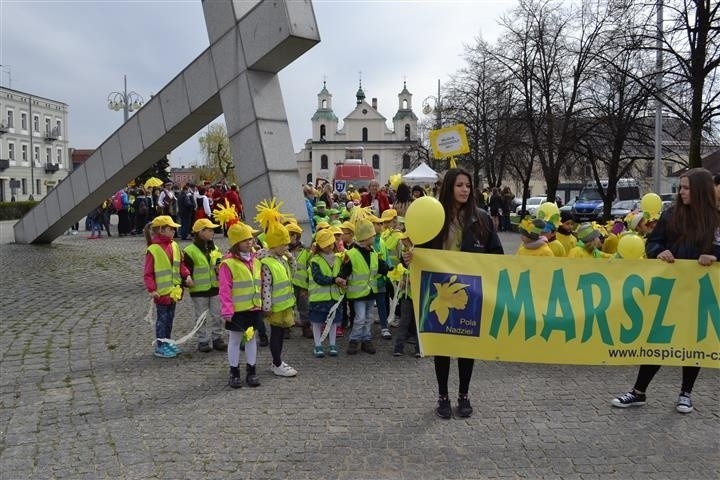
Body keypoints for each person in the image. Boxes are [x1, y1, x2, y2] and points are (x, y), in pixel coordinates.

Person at [611, 168, 720, 414]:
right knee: (658, 339)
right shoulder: (671, 215)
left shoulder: (716, 219)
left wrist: (714, 255)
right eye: (680, 187)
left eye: (686, 188)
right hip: (669, 291)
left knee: (692, 343)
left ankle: (686, 393)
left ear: (700, 191)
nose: (680, 192)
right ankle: (638, 392)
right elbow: (654, 242)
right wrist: (659, 251)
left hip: (700, 292)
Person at [404, 168, 504, 419]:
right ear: (449, 187)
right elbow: (418, 249)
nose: (464, 190)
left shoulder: (481, 219)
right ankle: (443, 396)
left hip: (470, 292)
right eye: (459, 185)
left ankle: (464, 395)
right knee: (443, 345)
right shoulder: (434, 217)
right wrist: (407, 257)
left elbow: (497, 255)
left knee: (466, 345)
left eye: (468, 186)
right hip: (439, 291)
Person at [256, 200, 298, 377]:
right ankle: (277, 362)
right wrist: (266, 307)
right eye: (285, 244)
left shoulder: (281, 258)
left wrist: (291, 259)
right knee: (276, 334)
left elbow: (292, 274)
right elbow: (266, 286)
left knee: (280, 334)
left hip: (284, 304)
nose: (287, 247)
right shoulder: (267, 262)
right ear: (275, 244)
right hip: (274, 307)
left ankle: (278, 360)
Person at [219, 222, 263, 388]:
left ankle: (251, 371)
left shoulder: (256, 260)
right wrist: (227, 309)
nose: (249, 242)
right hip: (237, 310)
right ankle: (234, 372)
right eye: (244, 240)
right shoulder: (228, 263)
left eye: (250, 239)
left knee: (251, 340)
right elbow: (224, 289)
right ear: (235, 243)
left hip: (253, 308)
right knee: (235, 340)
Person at [143, 215, 193, 358]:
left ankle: (167, 341)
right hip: (161, 292)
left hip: (174, 291)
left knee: (170, 319)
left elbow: (180, 265)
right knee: (162, 320)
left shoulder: (175, 245)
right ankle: (160, 345)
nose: (173, 231)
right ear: (160, 230)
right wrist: (152, 289)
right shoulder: (153, 249)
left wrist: (187, 275)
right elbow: (148, 273)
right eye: (170, 229)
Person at [339, 219, 388, 355]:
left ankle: (366, 339)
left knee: (368, 318)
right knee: (360, 318)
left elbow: (383, 268)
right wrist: (341, 278)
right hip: (358, 294)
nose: (374, 237)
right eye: (372, 235)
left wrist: (396, 269)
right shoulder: (352, 254)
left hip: (371, 292)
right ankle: (354, 340)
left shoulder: (373, 254)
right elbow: (345, 269)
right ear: (366, 238)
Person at [184, 218, 226, 353]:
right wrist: (187, 278)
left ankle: (217, 338)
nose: (213, 232)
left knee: (217, 315)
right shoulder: (189, 251)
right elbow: (186, 270)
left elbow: (218, 264)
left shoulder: (215, 248)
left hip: (214, 287)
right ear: (200, 232)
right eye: (209, 230)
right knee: (201, 317)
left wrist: (220, 268)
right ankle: (203, 340)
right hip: (198, 290)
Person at [308, 229, 346, 357]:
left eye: (331, 244)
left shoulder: (338, 258)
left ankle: (332, 344)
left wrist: (341, 280)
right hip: (318, 298)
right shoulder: (315, 260)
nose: (330, 247)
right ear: (319, 246)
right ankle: (318, 345)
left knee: (334, 322)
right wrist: (335, 280)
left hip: (334, 297)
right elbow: (318, 278)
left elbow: (341, 273)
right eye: (326, 245)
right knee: (317, 322)